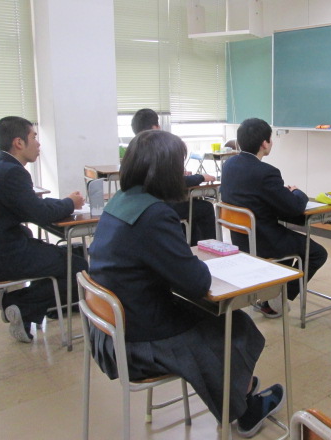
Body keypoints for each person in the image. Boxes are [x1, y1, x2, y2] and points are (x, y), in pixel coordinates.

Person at [88, 129, 283, 437]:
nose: (183, 173)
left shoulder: (121, 201)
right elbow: (197, 283)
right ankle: (242, 409)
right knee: (237, 325)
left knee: (220, 320)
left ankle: (238, 389)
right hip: (139, 345)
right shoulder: (154, 214)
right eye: (179, 166)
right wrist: (190, 261)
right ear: (166, 170)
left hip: (110, 332)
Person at [0, 116, 87, 343]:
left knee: (70, 254)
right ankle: (20, 303)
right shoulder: (12, 172)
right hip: (2, 257)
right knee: (78, 267)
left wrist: (64, 202)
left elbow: (32, 205)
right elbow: (40, 213)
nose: (38, 143)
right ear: (19, 143)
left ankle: (26, 304)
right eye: (34, 137)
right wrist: (70, 203)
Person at [220, 118, 328, 318]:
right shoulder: (266, 172)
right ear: (265, 143)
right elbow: (294, 207)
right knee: (317, 253)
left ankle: (272, 293)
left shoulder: (229, 164)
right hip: (265, 241)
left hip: (240, 239)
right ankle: (277, 297)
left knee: (290, 246)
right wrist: (296, 192)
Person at [131, 108, 216, 245]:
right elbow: (172, 182)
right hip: (160, 205)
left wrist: (174, 173)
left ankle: (190, 245)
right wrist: (200, 177)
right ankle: (208, 248)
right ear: (155, 127)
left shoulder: (134, 149)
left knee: (191, 207)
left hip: (141, 204)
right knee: (204, 208)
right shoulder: (156, 148)